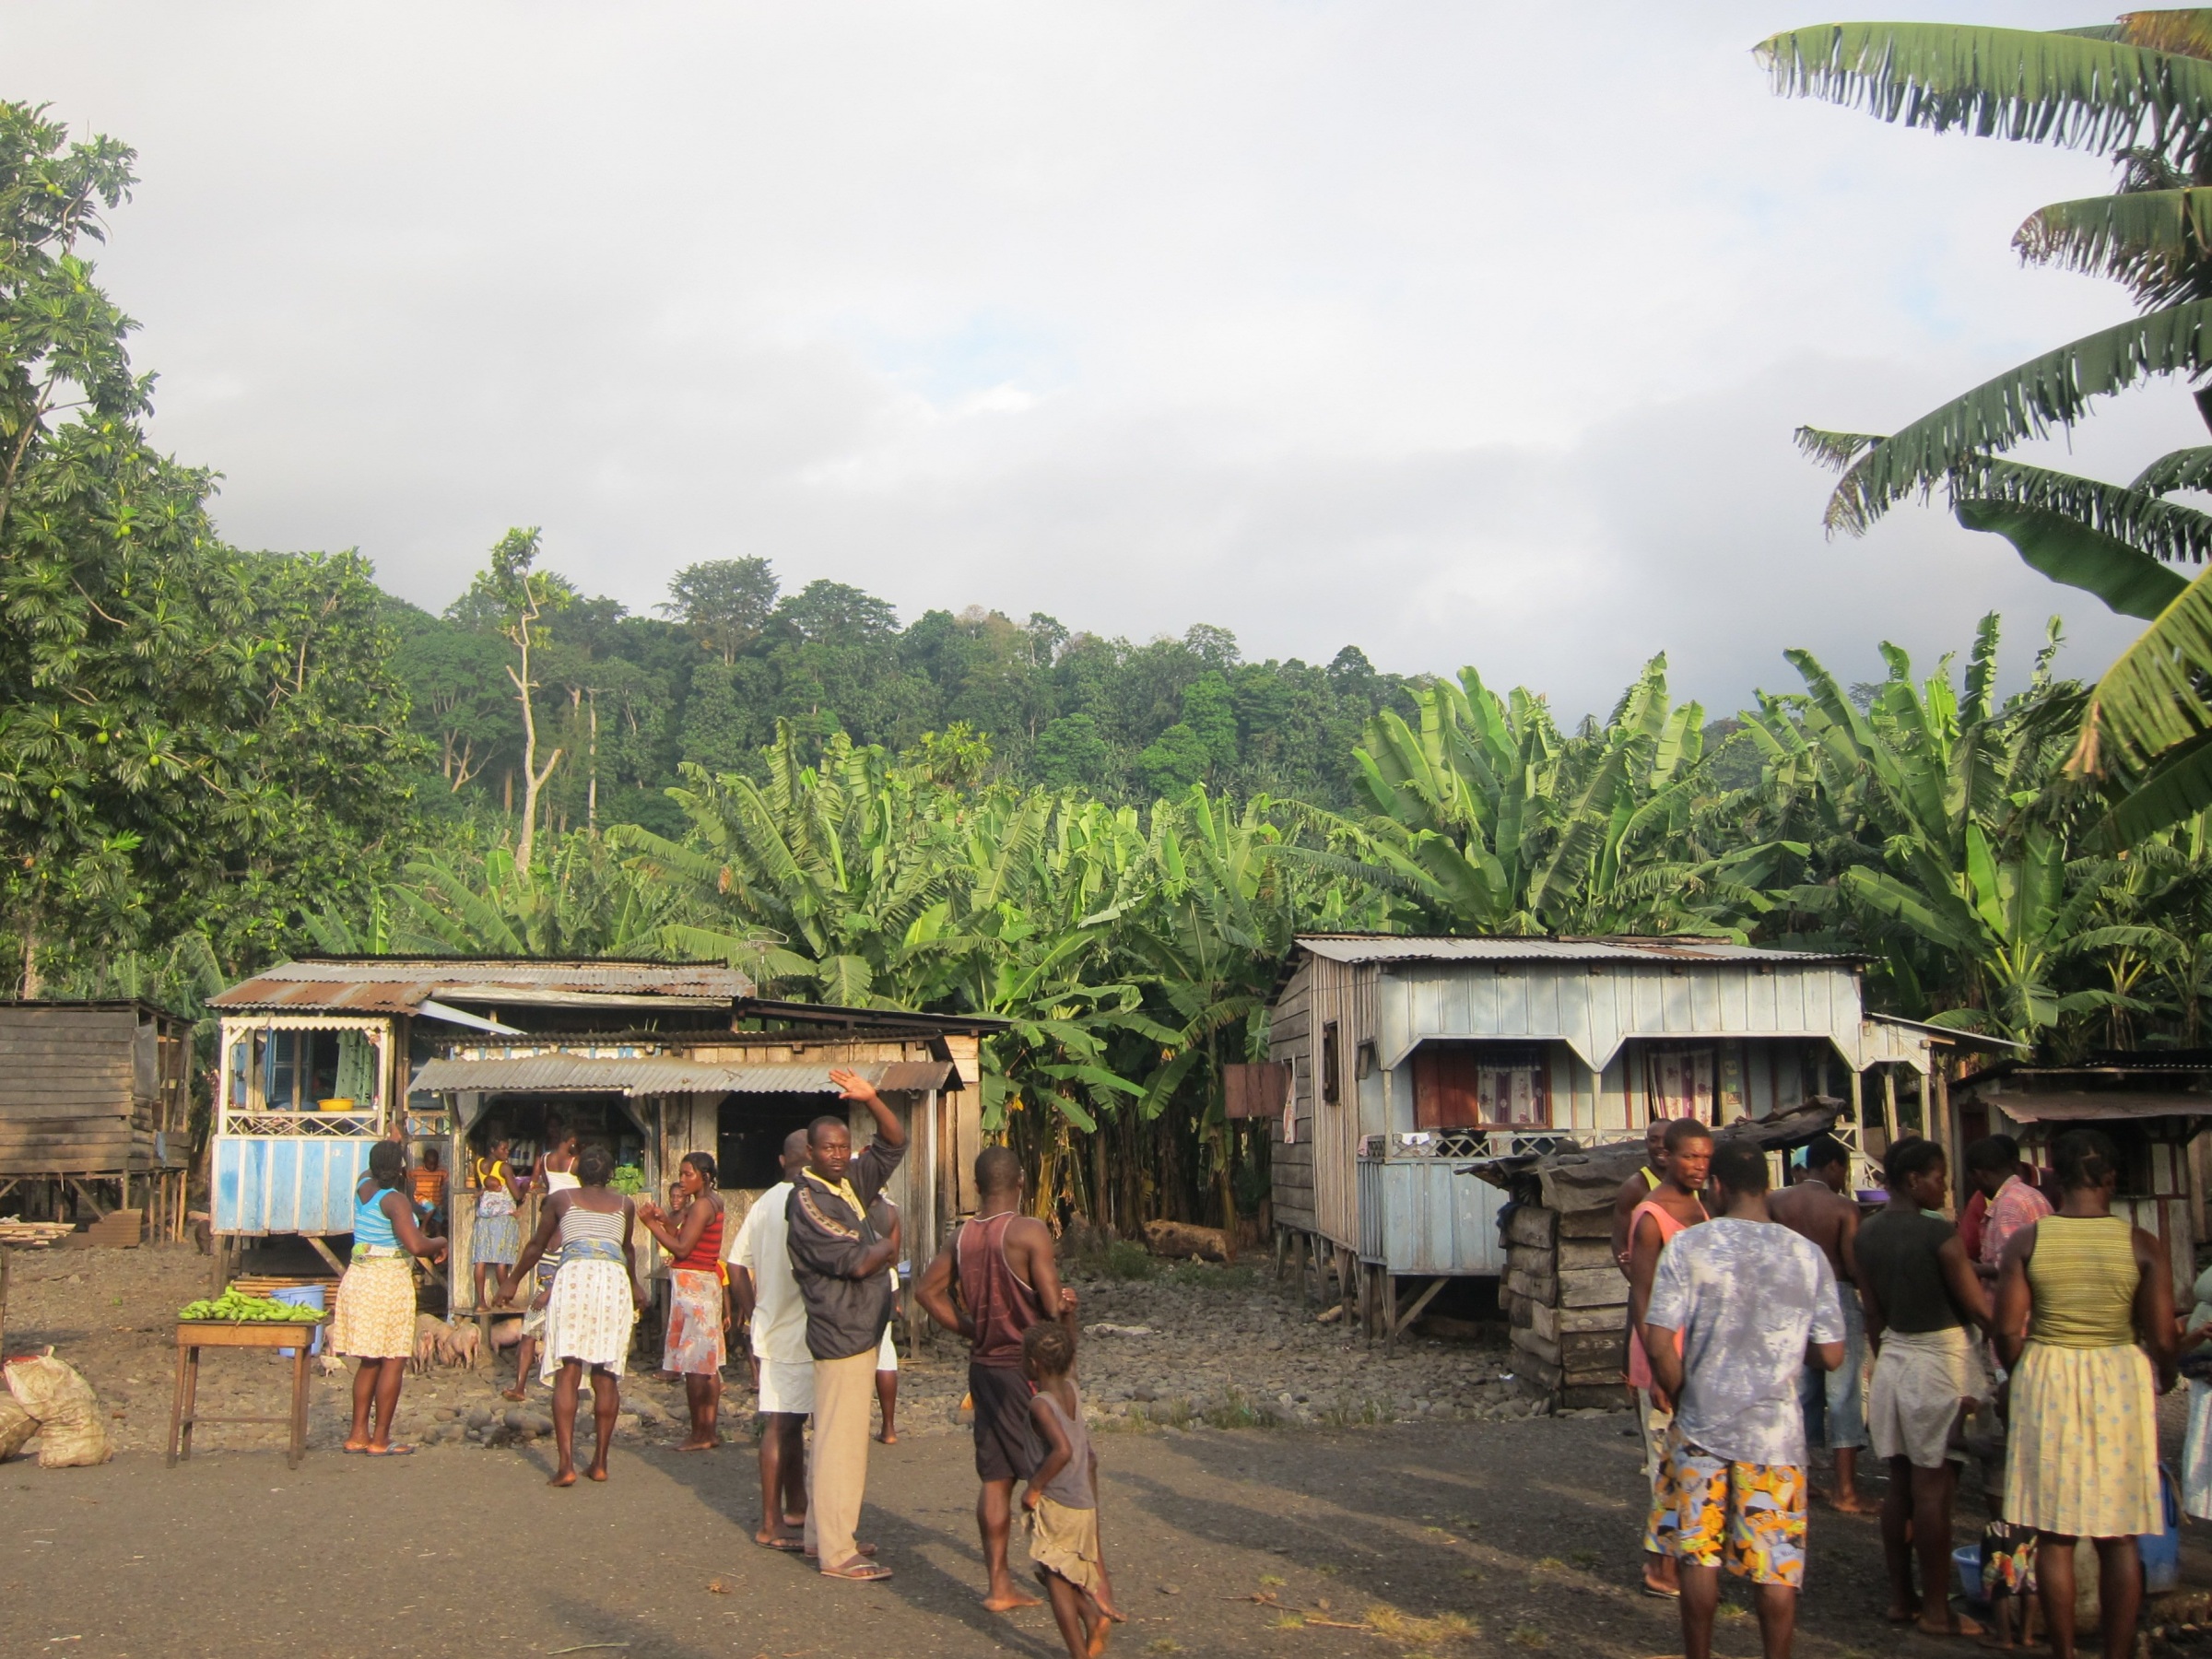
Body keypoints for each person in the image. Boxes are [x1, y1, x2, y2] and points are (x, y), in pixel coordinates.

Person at [1643, 1137, 1846, 1659]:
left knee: (1699, 1555)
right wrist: (1782, 1345)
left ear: (1717, 1185)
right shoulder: (1806, 1255)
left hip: (1701, 1425)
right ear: (1767, 1187)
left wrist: (1680, 1388)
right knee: (1775, 1562)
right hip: (1775, 1436)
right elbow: (1833, 1354)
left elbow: (1660, 1337)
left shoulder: (1690, 1246)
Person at [1994, 1126, 2176, 1659]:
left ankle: (2065, 1653)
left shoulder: (2027, 1242)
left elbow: (2006, 1331)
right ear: (2112, 1179)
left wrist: (2020, 1375)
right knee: (2118, 1534)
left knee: (2055, 1534)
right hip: (2118, 1375)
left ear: (2053, 1176)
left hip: (2047, 1369)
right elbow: (2163, 1336)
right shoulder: (2142, 1245)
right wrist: (2162, 1374)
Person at [916, 1144, 1079, 1613]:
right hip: (1023, 1370)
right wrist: (1069, 1308)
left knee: (995, 1477)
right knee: (1051, 1471)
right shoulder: (1029, 1232)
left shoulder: (962, 1236)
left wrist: (970, 1328)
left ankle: (998, 1584)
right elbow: (1051, 1307)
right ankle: (1067, 1582)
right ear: (1022, 1182)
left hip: (983, 1366)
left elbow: (927, 1291)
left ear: (977, 1185)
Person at [1855, 1135, 1991, 1638]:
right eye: (1940, 1177)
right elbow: (1977, 1308)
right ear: (1914, 1180)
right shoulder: (1940, 1235)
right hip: (1941, 1363)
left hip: (1893, 1357)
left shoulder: (1865, 1236)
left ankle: (1901, 1598)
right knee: (1935, 1488)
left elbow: (1872, 1312)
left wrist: (1886, 1352)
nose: (1945, 1188)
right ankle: (1938, 1610)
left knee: (1901, 1484)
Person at [785, 1068, 905, 1583]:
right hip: (842, 1331)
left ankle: (823, 1536)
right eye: (828, 1148)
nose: (838, 1155)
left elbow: (894, 1144)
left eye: (843, 1147)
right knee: (842, 1444)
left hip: (859, 1328)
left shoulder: (848, 1182)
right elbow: (855, 1261)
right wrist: (888, 1250)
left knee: (835, 1435)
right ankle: (838, 1552)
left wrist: (873, 1098)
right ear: (809, 1153)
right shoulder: (807, 1199)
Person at [500, 1143, 641, 1487]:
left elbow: (537, 1245)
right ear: (610, 1174)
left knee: (568, 1371)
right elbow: (625, 1250)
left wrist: (512, 1280)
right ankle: (600, 1463)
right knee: (605, 1373)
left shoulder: (561, 1201)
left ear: (576, 1174)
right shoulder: (625, 1204)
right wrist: (636, 1287)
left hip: (575, 1277)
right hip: (612, 1282)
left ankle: (565, 1465)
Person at [1625, 1115, 1712, 1599]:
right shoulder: (1651, 1215)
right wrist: (1656, 1367)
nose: (1698, 1166)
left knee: (1689, 1461)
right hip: (1660, 1351)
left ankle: (1679, 1557)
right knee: (1665, 1465)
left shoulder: (1699, 1207)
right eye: (1689, 1157)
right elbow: (1642, 1295)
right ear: (1667, 1157)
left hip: (1692, 1348)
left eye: (1705, 1158)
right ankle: (1660, 1567)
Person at [1766, 1134, 1868, 1513]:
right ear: (1834, 1167)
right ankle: (1845, 1489)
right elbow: (1852, 1265)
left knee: (1800, 1391)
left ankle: (1801, 1482)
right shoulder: (1843, 1208)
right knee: (1842, 1392)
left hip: (1787, 1297)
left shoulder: (1776, 1201)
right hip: (1835, 1295)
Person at [330, 1139, 447, 1456]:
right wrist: (441, 1239)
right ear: (400, 1170)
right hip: (387, 1283)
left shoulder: (362, 1186)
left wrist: (390, 1151)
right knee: (393, 1360)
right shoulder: (396, 1201)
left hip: (359, 1278)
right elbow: (417, 1246)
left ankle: (357, 1435)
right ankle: (380, 1439)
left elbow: (374, 1168)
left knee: (369, 1361)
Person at [730, 1129, 813, 1551]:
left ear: (783, 1160)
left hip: (772, 1325)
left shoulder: (762, 1204)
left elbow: (735, 1264)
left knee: (791, 1421)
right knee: (781, 1423)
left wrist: (752, 1310)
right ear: (813, 1157)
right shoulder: (810, 1200)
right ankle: (769, 1521)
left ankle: (796, 1505)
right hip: (798, 1330)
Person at [1022, 1319, 1121, 1659]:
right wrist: (1069, 1319)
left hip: (1058, 1503)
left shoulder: (1041, 1404)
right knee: (1057, 1573)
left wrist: (1033, 1488)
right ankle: (1093, 1620)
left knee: (1055, 1581)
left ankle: (1081, 1646)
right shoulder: (1072, 1389)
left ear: (1034, 1365)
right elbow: (1071, 1355)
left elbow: (1061, 1450)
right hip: (1082, 1501)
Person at [635, 1150, 727, 1452]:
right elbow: (689, 1238)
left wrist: (651, 1225)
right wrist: (664, 1221)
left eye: (689, 1174)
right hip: (703, 1284)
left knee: (694, 1364)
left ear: (705, 1177)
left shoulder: (701, 1206)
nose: (683, 1180)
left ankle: (700, 1433)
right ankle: (708, 1430)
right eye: (682, 1174)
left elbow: (683, 1248)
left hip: (694, 1287)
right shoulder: (712, 1202)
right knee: (707, 1363)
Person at [508, 1124, 582, 1396]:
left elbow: (536, 1182)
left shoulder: (545, 1160)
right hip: (548, 1289)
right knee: (530, 1332)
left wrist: (545, 1292)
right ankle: (520, 1386)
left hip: (559, 1292)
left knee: (546, 1334)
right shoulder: (575, 1165)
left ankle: (546, 1385)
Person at [1970, 1134, 2052, 1282]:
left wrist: (1976, 1268)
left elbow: (2009, 1266)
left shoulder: (2009, 1205)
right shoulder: (2031, 1194)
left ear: (1980, 1175)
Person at [1610, 1117, 1674, 1267]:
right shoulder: (1635, 1187)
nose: (1661, 1145)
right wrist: (1639, 1286)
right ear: (1646, 1143)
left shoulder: (1690, 1183)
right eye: (1654, 1140)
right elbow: (1619, 1244)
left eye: (1667, 1140)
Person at [472, 1135, 521, 1311]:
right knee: (502, 1262)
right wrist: (524, 1187)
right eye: (503, 1149)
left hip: (484, 1220)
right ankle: (503, 1301)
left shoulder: (478, 1164)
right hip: (502, 1220)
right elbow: (517, 1195)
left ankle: (481, 1303)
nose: (507, 1152)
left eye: (507, 1149)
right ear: (492, 1150)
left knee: (480, 1260)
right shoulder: (504, 1167)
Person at [874, 1194, 900, 1445]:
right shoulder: (890, 1211)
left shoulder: (847, 1206)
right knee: (885, 1352)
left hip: (859, 1286)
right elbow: (894, 1257)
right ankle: (889, 1427)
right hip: (886, 1281)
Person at [411, 1147, 447, 1230]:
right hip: (421, 1197)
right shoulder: (418, 1171)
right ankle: (422, 1228)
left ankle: (438, 1235)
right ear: (424, 1162)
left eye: (435, 1164)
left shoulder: (441, 1172)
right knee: (431, 1209)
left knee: (439, 1219)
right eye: (430, 1164)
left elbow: (447, 1180)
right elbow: (408, 1176)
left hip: (436, 1199)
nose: (432, 1166)